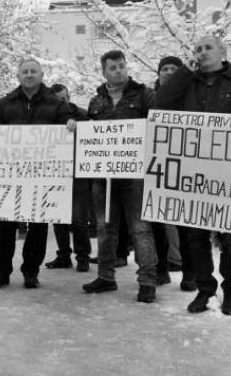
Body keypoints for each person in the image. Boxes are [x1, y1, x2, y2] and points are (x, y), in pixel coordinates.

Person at [156, 35, 231, 315]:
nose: (202, 52)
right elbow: (162, 103)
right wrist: (184, 72)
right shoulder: (186, 82)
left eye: (208, 47)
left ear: (222, 51)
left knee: (230, 238)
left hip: (229, 173)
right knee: (195, 237)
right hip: (193, 172)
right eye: (197, 49)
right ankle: (205, 289)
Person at [0, 59, 74, 290]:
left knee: (38, 226)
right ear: (18, 75)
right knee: (5, 225)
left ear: (42, 74)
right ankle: (1, 271)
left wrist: (72, 124)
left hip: (42, 177)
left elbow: (69, 126)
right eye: (25, 71)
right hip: (11, 175)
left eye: (34, 71)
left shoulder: (56, 104)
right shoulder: (4, 104)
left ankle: (31, 271)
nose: (30, 74)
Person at [79, 50, 159, 303]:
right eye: (113, 68)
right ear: (104, 72)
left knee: (141, 229)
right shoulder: (96, 102)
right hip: (103, 177)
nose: (118, 71)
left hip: (135, 176)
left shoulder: (145, 95)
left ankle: (147, 281)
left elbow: (159, 124)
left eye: (122, 66)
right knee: (104, 228)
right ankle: (106, 276)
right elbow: (90, 133)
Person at [154, 56, 195, 291]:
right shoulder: (151, 97)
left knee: (185, 223)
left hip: (186, 166)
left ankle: (190, 273)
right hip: (158, 167)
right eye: (164, 69)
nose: (169, 72)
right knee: (157, 223)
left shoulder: (191, 96)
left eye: (173, 68)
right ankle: (161, 269)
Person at [45, 83, 93, 273]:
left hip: (77, 173)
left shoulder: (82, 114)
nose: (62, 102)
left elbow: (94, 137)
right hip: (54, 172)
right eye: (58, 99)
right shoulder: (48, 116)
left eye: (65, 98)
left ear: (69, 97)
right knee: (58, 216)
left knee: (78, 218)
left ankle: (83, 257)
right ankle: (63, 255)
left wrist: (79, 127)